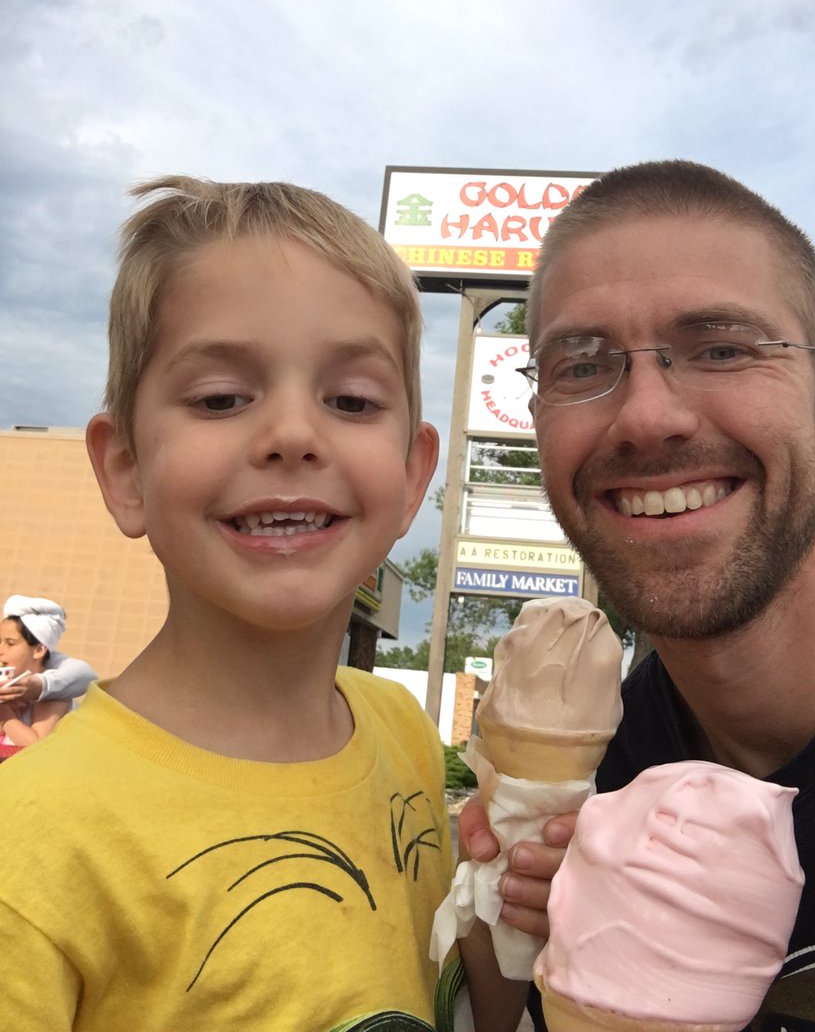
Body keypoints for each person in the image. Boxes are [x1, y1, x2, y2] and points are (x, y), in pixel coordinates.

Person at [0, 176, 482, 1030]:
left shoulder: (402, 733)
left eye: (352, 401)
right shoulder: (31, 844)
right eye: (221, 398)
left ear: (414, 476)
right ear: (126, 471)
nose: (293, 434)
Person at [460, 160, 815, 1032]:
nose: (646, 417)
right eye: (581, 365)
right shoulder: (589, 797)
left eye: (721, 349)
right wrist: (502, 920)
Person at [0, 596, 73, 754]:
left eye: (10, 643)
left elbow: (37, 745)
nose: (1, 650)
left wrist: (4, 711)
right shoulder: (10, 683)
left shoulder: (54, 689)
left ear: (39, 650)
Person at [0, 594, 97, 706]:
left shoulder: (54, 695)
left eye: (10, 643)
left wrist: (40, 685)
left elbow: (85, 675)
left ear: (39, 650)